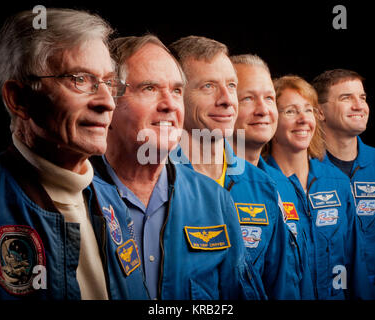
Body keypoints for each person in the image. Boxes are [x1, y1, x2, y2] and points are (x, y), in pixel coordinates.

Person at [0, 8, 149, 300]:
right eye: (79, 79)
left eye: (108, 82)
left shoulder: (112, 198)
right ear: (19, 98)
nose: (107, 103)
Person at [91, 34, 264, 300]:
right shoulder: (77, 196)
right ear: (108, 101)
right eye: (149, 88)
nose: (170, 105)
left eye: (176, 91)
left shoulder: (215, 200)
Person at [169, 36, 300, 299]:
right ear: (177, 95)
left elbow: (283, 288)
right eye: (208, 86)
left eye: (231, 85)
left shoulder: (262, 186)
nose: (228, 100)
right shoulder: (155, 181)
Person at [264, 75, 372, 299]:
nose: (303, 119)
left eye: (308, 110)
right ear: (272, 119)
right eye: (291, 111)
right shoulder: (261, 186)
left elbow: (357, 265)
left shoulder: (337, 182)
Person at [312, 69, 375, 299]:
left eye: (362, 97)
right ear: (319, 111)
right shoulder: (303, 167)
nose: (359, 105)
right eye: (346, 98)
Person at [230, 54, 314, 299]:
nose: (264, 110)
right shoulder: (210, 187)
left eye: (269, 98)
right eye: (248, 98)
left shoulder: (285, 186)